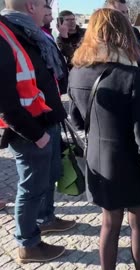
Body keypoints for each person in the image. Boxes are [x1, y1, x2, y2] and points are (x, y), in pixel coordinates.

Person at [68, 9, 140, 269]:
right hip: (131, 165)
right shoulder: (133, 76)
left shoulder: (76, 72)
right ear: (123, 35)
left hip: (98, 162)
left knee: (109, 225)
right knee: (139, 226)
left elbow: (76, 120)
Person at [0, 0, 74, 263]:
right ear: (31, 5)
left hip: (46, 121)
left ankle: (45, 219)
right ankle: (28, 244)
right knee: (30, 188)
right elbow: (4, 102)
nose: (49, 10)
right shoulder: (5, 34)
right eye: (46, 4)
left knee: (47, 178)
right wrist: (37, 134)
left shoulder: (27, 32)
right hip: (30, 132)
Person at [105, 0, 140, 75]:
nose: (126, 15)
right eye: (122, 12)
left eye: (127, 12)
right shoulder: (104, 34)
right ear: (109, 13)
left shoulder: (134, 32)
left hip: (135, 79)